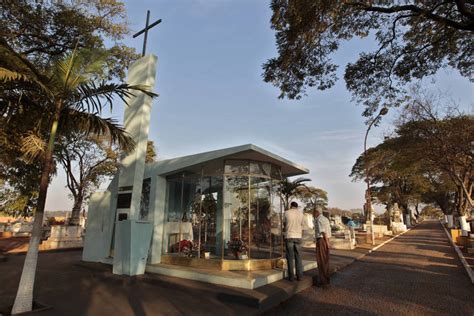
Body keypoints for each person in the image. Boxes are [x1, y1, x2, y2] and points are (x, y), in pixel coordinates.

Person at [284, 201, 305, 281]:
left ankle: (291, 276)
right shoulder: (301, 214)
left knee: (289, 256)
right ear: (297, 207)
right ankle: (299, 276)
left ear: (291, 206)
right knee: (298, 256)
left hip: (289, 235)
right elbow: (303, 226)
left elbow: (284, 223)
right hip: (298, 236)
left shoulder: (286, 213)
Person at [313, 209, 331, 287]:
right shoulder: (325, 218)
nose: (313, 214)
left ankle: (323, 281)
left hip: (321, 240)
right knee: (325, 260)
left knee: (321, 260)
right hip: (325, 239)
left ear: (317, 212)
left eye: (314, 212)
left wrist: (326, 242)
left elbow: (323, 231)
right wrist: (328, 242)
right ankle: (326, 280)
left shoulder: (319, 219)